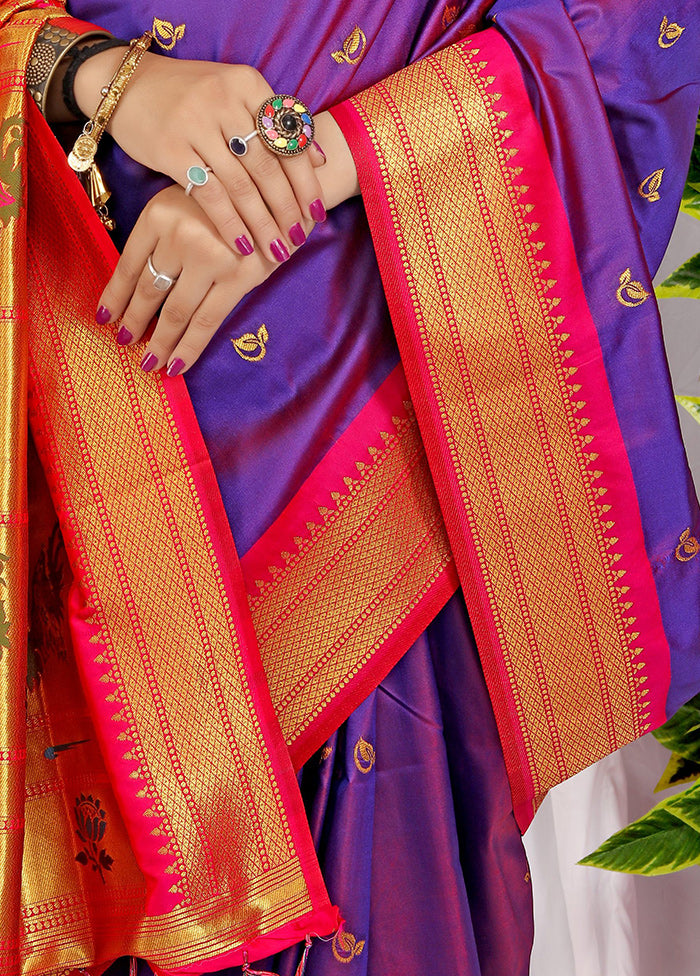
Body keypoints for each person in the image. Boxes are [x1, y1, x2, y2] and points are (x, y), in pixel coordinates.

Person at [2, 0, 699, 973]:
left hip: (373, 353)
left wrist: (292, 175)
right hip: (73, 358)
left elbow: (622, 32)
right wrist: (95, 78)